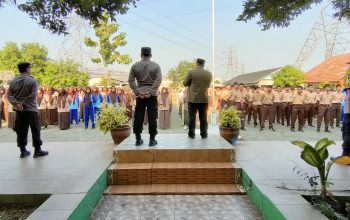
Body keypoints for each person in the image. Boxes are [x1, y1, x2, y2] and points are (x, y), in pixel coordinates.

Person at [7, 62, 48, 158]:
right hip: (31, 109)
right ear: (27, 69)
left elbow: (9, 95)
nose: (31, 69)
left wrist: (17, 104)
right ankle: (37, 151)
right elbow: (33, 95)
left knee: (21, 130)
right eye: (30, 68)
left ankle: (23, 151)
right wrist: (23, 104)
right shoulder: (32, 81)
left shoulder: (13, 81)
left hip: (19, 110)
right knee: (35, 129)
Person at [128, 47, 162, 146]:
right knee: (152, 117)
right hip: (151, 96)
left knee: (138, 117)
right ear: (150, 55)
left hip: (140, 96)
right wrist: (151, 91)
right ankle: (152, 140)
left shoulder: (135, 66)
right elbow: (158, 80)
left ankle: (138, 140)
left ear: (141, 55)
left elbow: (130, 81)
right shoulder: (156, 66)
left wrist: (138, 92)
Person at [183, 58, 212, 139]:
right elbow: (208, 86)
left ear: (197, 63)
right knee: (203, 118)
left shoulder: (191, 72)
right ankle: (204, 134)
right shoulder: (209, 74)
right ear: (203, 64)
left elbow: (185, 83)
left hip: (193, 99)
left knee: (192, 117)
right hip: (203, 98)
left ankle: (191, 135)